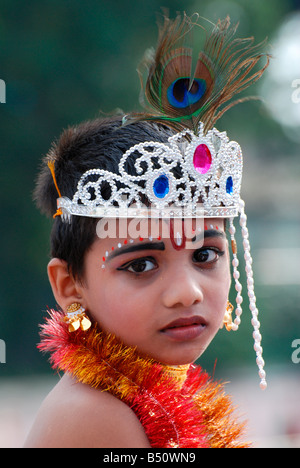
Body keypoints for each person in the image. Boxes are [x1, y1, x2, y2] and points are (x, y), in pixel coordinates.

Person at [24, 13, 269, 448]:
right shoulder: (94, 416)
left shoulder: (152, 396)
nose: (187, 292)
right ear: (69, 285)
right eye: (140, 264)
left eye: (205, 255)